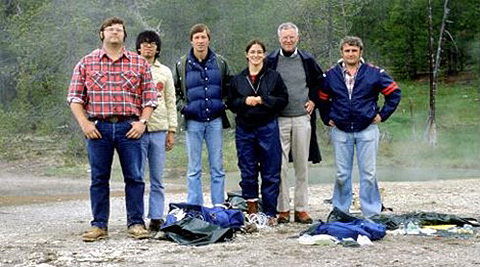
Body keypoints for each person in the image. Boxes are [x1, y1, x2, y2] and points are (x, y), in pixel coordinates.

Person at [67, 17, 157, 242]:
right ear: (102, 34)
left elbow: (150, 98)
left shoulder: (139, 63)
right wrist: (85, 124)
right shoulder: (86, 63)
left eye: (119, 29)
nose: (114, 32)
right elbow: (75, 97)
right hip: (98, 127)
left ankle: (136, 223)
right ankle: (99, 226)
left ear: (124, 35)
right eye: (110, 29)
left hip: (130, 128)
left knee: (135, 178)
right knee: (99, 178)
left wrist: (142, 123)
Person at [318, 36, 401, 218]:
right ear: (342, 52)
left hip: (367, 129)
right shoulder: (331, 75)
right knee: (341, 174)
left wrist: (382, 114)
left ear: (360, 52)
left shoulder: (374, 73)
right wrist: (326, 117)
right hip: (341, 130)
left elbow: (394, 93)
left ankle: (371, 213)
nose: (350, 54)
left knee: (369, 173)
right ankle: (340, 211)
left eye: (354, 50)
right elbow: (322, 98)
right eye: (347, 50)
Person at [265, 22, 324, 224]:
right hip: (279, 119)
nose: (288, 41)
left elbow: (319, 82)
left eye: (291, 37)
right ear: (279, 39)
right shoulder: (270, 60)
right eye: (285, 37)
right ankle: (283, 209)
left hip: (301, 118)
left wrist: (314, 100)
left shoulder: (307, 59)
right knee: (279, 167)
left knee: (301, 166)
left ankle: (302, 209)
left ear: (297, 38)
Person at [227, 39, 288, 226]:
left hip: (268, 126)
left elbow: (283, 99)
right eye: (252, 52)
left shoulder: (273, 77)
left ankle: (270, 213)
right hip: (245, 128)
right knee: (248, 169)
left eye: (259, 52)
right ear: (247, 55)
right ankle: (252, 210)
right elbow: (230, 102)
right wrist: (245, 101)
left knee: (271, 170)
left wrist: (263, 100)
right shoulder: (238, 79)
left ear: (264, 54)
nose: (255, 55)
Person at [173, 24, 232, 206]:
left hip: (215, 120)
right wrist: (184, 108)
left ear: (209, 39)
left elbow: (231, 88)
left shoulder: (220, 62)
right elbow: (173, 92)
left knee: (217, 167)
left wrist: (222, 105)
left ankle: (218, 206)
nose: (200, 41)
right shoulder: (182, 65)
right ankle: (195, 207)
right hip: (193, 122)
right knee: (194, 169)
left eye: (203, 37)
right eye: (196, 37)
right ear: (191, 40)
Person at [135, 30, 177, 232]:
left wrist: (172, 130)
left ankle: (156, 216)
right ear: (138, 47)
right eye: (144, 43)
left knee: (158, 177)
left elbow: (170, 101)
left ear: (158, 48)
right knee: (136, 176)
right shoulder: (130, 68)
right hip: (137, 130)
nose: (148, 46)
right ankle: (136, 218)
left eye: (152, 43)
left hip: (159, 129)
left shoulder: (165, 72)